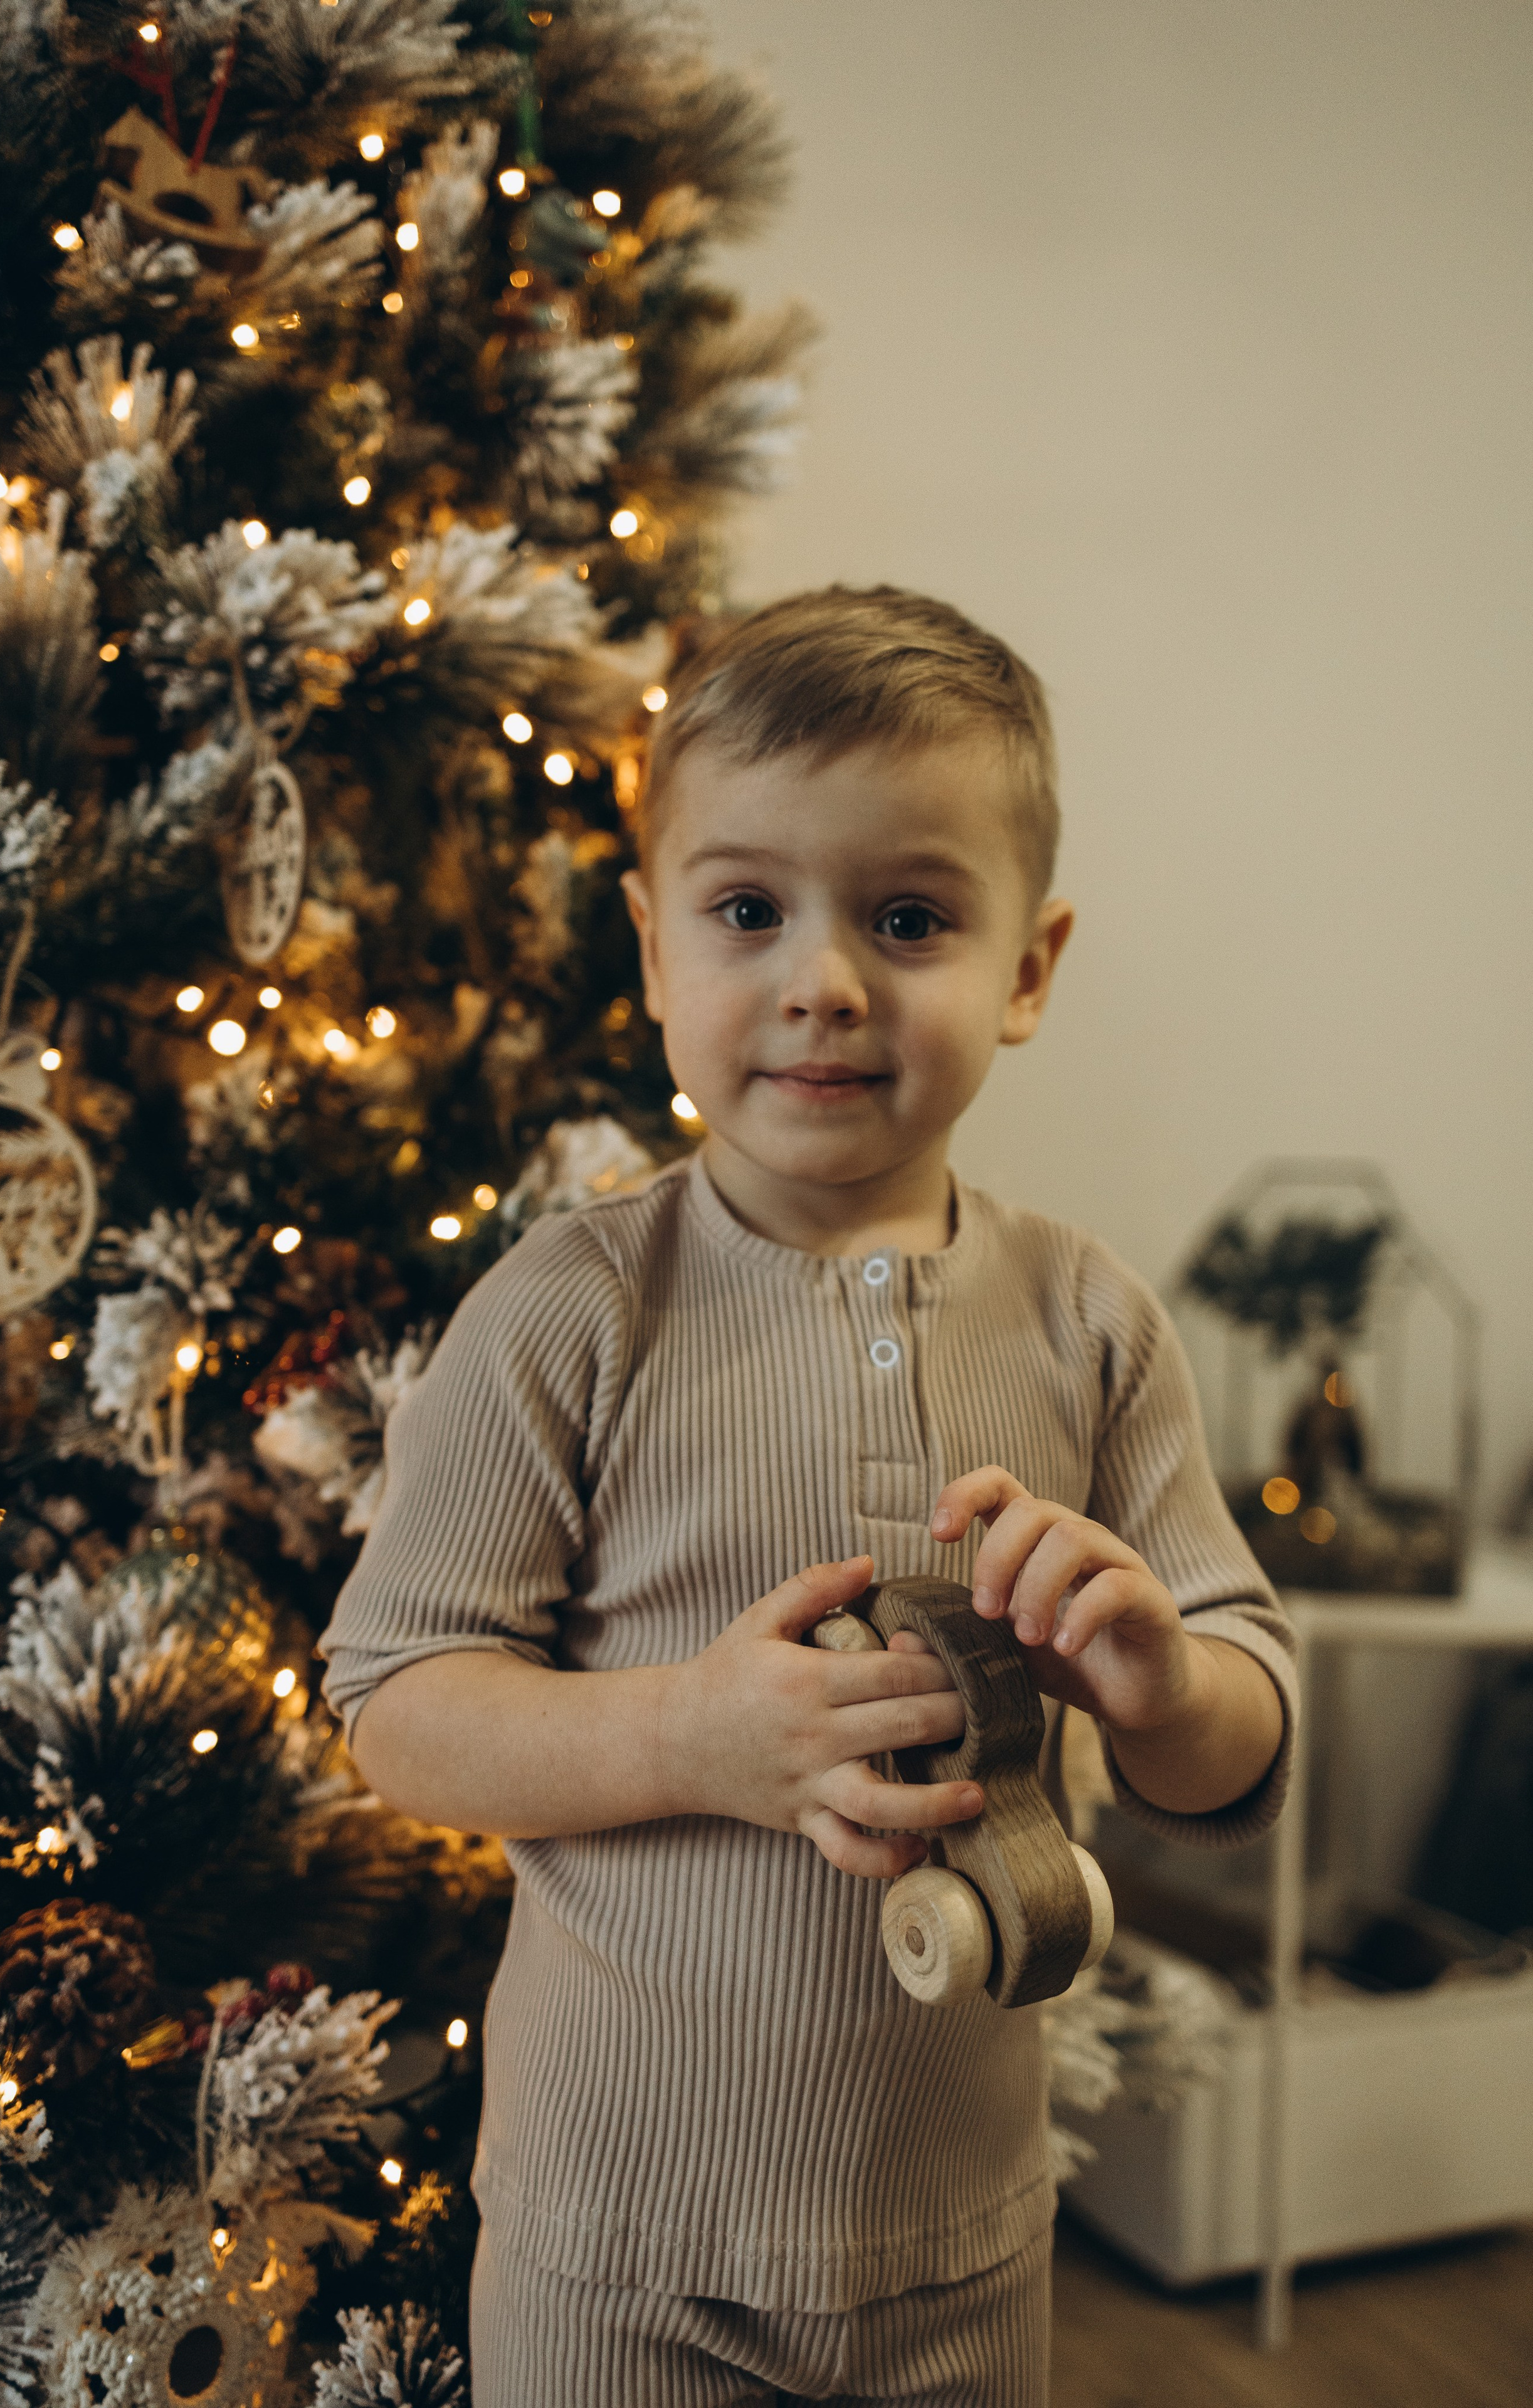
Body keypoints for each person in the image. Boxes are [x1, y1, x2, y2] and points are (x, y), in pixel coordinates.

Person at [321, 586, 1296, 2408]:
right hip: (620, 2250)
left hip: (961, 2244)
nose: (825, 980)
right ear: (653, 947)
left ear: (1027, 967)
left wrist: (1163, 1686)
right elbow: (402, 1709)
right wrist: (695, 1736)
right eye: (749, 911)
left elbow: (1234, 1734)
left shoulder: (1087, 1322)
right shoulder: (568, 1311)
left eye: (909, 917)